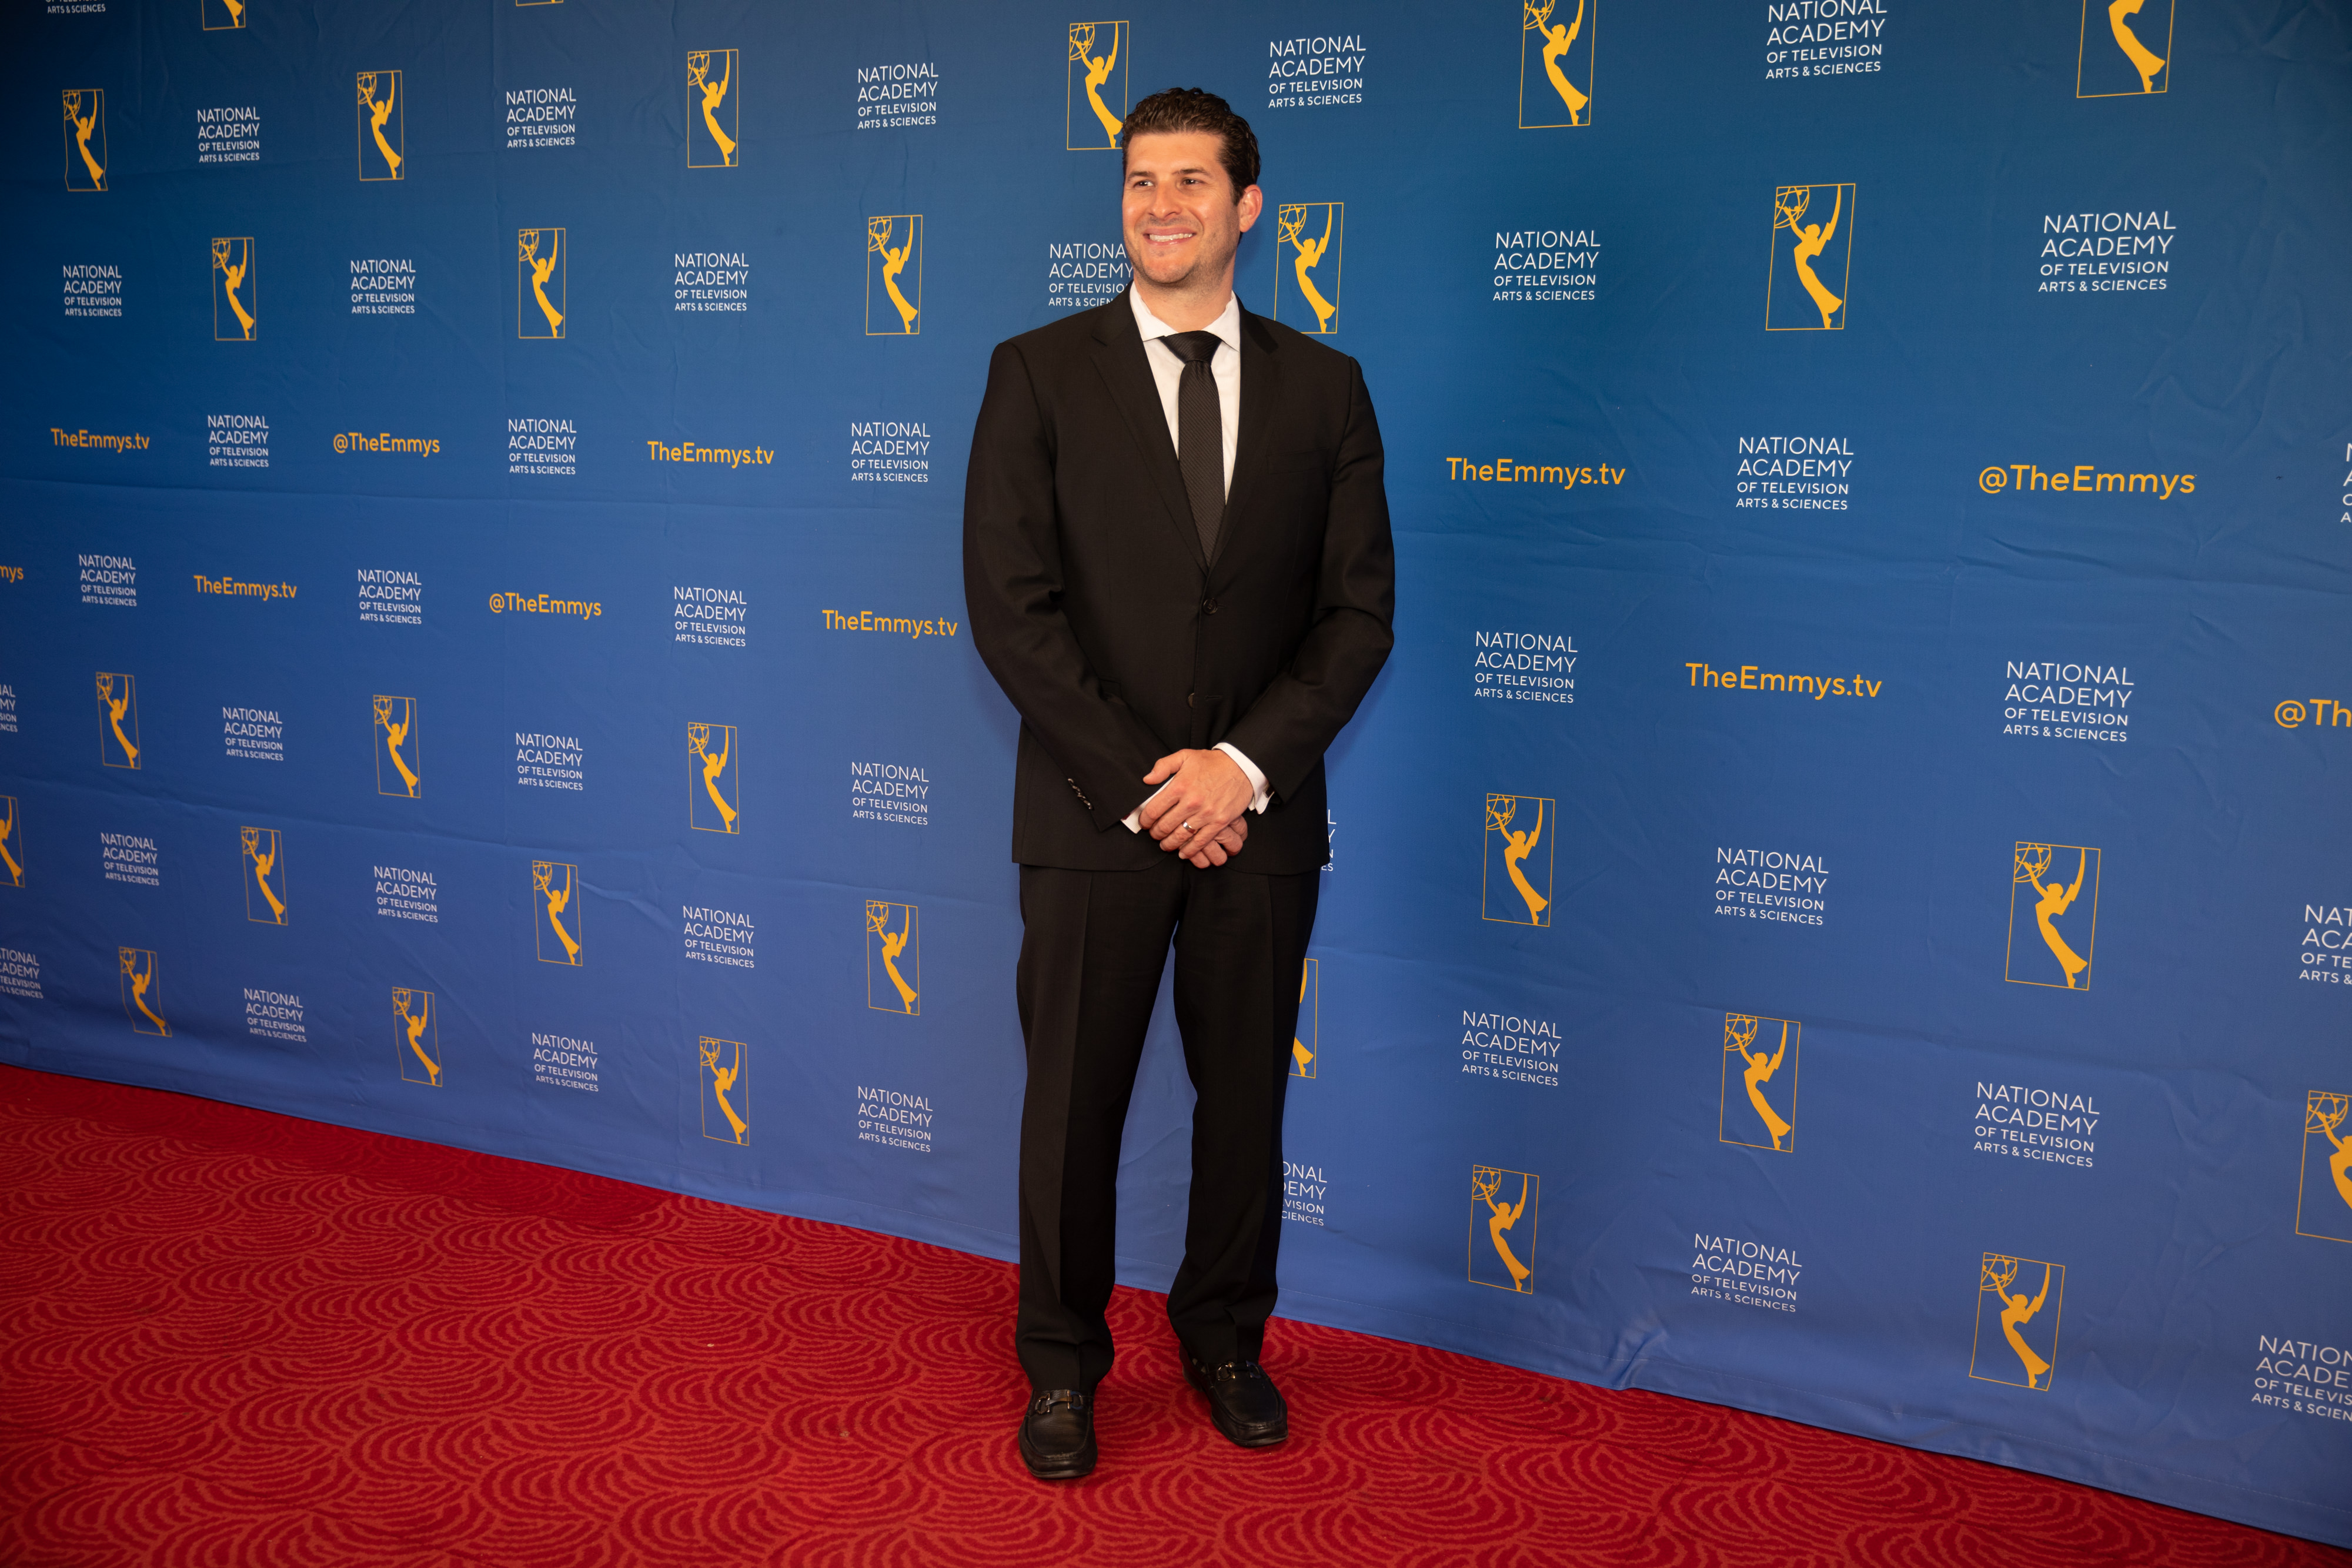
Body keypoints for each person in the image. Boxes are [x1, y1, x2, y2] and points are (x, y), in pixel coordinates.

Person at [963, 86, 1394, 1480]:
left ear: (1245, 206)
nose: (1161, 206)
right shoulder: (1036, 372)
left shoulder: (1325, 387)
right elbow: (1010, 606)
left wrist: (1241, 769)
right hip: (1091, 817)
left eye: (1191, 181)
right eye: (1141, 180)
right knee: (1069, 1110)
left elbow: (1356, 615)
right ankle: (1060, 1364)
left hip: (1258, 821)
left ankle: (1224, 1339)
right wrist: (1149, 784)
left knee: (1245, 1105)